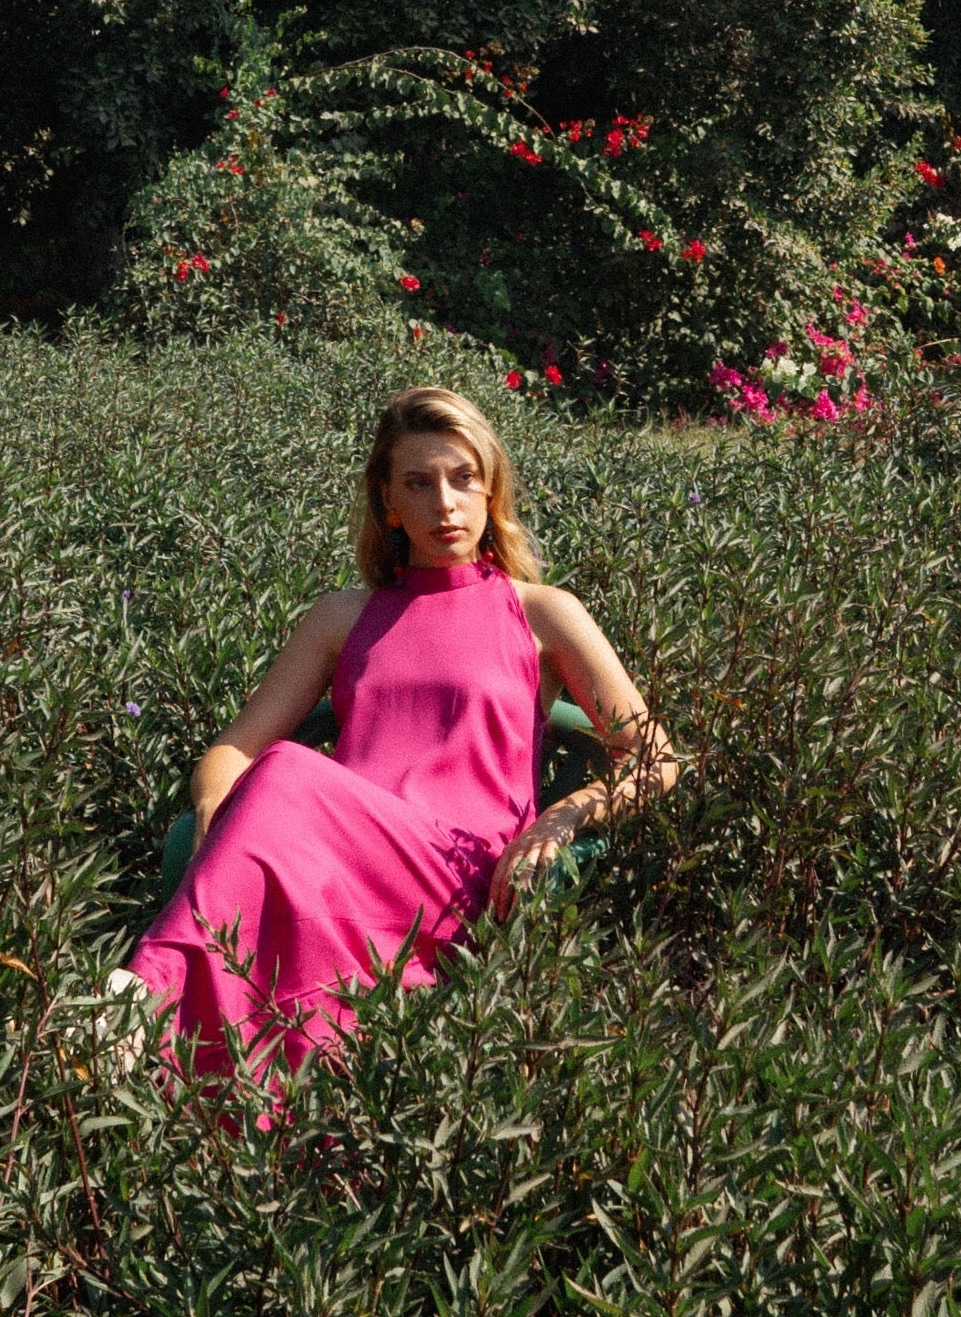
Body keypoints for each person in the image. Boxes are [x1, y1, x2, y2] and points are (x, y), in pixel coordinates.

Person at [108, 384, 674, 1079]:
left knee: (285, 770)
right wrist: (213, 813)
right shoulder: (340, 617)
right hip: (334, 865)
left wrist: (562, 818)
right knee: (273, 778)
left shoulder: (544, 612)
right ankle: (179, 1047)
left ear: (491, 489)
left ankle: (135, 1005)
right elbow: (233, 749)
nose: (445, 504)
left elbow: (656, 757)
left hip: (460, 872)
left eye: (463, 479)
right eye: (419, 484)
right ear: (388, 502)